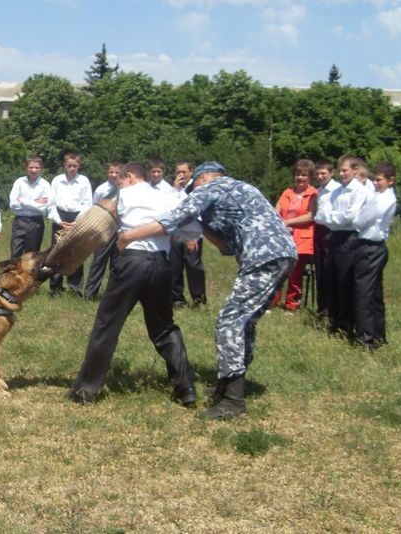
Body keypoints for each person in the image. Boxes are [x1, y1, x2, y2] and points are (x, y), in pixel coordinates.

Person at [117, 161, 297, 420]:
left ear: (202, 179)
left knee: (230, 321)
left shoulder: (212, 187)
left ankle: (234, 401)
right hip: (283, 254)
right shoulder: (245, 189)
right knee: (245, 322)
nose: (194, 192)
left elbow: (173, 218)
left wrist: (129, 236)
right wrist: (201, 225)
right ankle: (228, 383)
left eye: (194, 187)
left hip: (263, 257)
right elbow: (226, 247)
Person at [67, 162, 198, 407]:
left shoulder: (123, 193)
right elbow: (192, 230)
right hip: (161, 264)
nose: (119, 183)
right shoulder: (168, 196)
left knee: (107, 324)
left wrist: (73, 233)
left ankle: (86, 390)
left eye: (121, 179)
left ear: (129, 176)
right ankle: (186, 387)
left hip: (132, 262)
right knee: (164, 327)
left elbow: (97, 218)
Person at [314, 155, 370, 338]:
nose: (343, 174)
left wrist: (332, 218)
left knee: (345, 281)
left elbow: (350, 217)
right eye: (341, 170)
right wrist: (333, 218)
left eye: (346, 170)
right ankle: (335, 321)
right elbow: (322, 215)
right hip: (335, 235)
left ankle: (347, 323)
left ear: (355, 171)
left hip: (350, 238)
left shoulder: (358, 191)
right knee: (332, 280)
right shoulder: (338, 191)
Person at [353, 162, 397, 350]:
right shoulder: (381, 195)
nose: (375, 182)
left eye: (379, 179)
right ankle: (379, 334)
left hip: (370, 248)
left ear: (391, 180)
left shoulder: (382, 200)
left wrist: (358, 217)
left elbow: (360, 220)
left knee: (364, 293)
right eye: (375, 179)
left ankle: (366, 338)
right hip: (375, 248)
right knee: (375, 294)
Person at [271, 159, 318, 312]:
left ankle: (292, 304)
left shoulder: (313, 194)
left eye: (304, 175)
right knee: (278, 271)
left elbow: (311, 216)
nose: (300, 178)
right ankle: (273, 301)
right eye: (297, 174)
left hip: (302, 240)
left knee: (295, 274)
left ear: (310, 177)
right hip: (283, 238)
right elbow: (275, 211)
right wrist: (282, 224)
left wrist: (289, 222)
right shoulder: (287, 192)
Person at [48, 153, 92, 296]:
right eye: (69, 165)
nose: (72, 168)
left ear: (79, 166)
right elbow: (51, 203)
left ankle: (75, 287)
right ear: (64, 165)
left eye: (75, 166)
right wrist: (58, 220)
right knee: (57, 253)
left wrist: (76, 223)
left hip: (77, 218)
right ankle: (55, 287)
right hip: (60, 217)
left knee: (76, 253)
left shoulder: (84, 181)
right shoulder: (57, 180)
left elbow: (87, 203)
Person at [169, 160, 207, 309]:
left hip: (193, 234)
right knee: (174, 267)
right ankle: (177, 300)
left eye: (184, 172)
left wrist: (191, 236)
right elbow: (170, 209)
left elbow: (196, 213)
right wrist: (175, 190)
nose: (181, 175)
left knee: (194, 267)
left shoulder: (196, 188)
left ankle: (199, 299)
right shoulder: (173, 190)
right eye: (178, 172)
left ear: (191, 172)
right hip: (176, 234)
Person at [83, 161, 121, 301]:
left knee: (116, 264)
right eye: (111, 172)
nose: (114, 175)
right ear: (107, 172)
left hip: (119, 230)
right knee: (98, 261)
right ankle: (90, 294)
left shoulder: (125, 189)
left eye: (117, 172)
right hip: (104, 229)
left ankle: (113, 294)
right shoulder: (101, 189)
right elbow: (94, 208)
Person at [9, 155, 52, 258]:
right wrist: (35, 202)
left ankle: (28, 275)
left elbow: (43, 208)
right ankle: (13, 274)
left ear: (41, 168)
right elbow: (13, 205)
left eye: (37, 168)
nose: (34, 170)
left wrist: (23, 201)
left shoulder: (45, 185)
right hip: (19, 221)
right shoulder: (19, 182)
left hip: (36, 222)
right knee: (15, 253)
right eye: (31, 167)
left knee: (32, 256)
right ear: (26, 168)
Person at [313, 160, 339, 317]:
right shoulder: (319, 191)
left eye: (323, 173)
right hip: (319, 230)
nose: (320, 176)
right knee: (320, 268)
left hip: (331, 230)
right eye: (318, 174)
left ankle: (331, 306)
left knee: (329, 269)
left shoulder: (336, 190)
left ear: (331, 173)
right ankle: (322, 306)